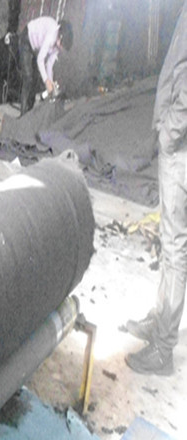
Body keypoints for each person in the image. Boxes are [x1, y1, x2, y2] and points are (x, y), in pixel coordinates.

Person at [125, 0, 187, 376]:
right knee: (171, 240)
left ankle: (163, 348)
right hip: (178, 143)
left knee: (176, 245)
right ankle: (161, 319)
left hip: (182, 147)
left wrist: (170, 131)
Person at [19, 16, 73, 115]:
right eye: (62, 46)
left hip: (36, 47)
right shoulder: (52, 35)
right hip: (27, 39)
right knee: (28, 77)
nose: (61, 49)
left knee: (35, 79)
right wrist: (46, 81)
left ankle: (29, 112)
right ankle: (23, 113)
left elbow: (49, 65)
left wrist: (51, 83)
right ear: (60, 37)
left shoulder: (57, 45)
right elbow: (40, 59)